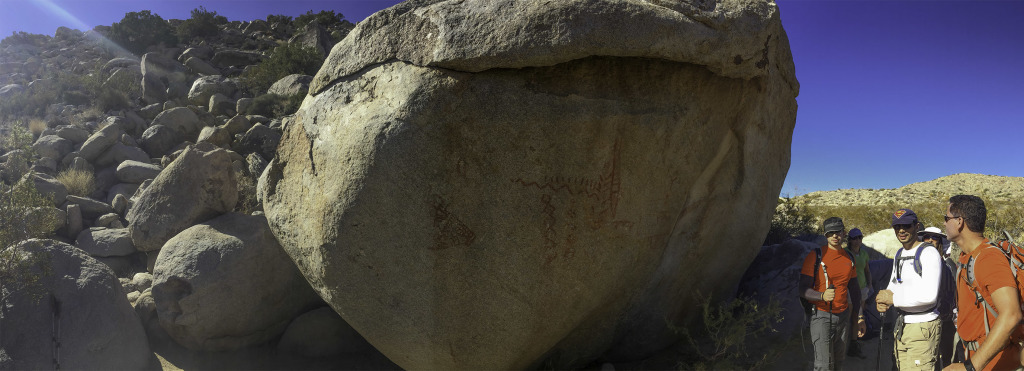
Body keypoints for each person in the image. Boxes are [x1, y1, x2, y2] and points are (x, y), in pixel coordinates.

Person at [943, 195, 1023, 371]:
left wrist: (970, 367)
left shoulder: (988, 258)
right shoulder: (967, 256)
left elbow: (1011, 315)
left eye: (946, 218)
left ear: (959, 222)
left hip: (995, 364)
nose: (944, 224)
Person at [875, 209, 942, 371]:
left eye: (906, 225)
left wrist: (893, 300)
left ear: (916, 226)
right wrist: (884, 299)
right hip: (902, 325)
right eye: (897, 226)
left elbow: (929, 296)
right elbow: (894, 283)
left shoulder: (929, 253)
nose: (901, 230)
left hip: (923, 325)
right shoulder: (900, 254)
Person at [800, 217, 863, 371]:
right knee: (823, 366)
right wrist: (821, 296)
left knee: (839, 363)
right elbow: (802, 289)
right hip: (821, 317)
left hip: (843, 317)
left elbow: (855, 290)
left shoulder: (849, 258)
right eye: (830, 232)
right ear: (825, 234)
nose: (835, 235)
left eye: (838, 231)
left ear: (844, 232)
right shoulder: (815, 256)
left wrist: (860, 317)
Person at [919, 226, 959, 368]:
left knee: (947, 356)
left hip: (946, 320)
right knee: (930, 357)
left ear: (940, 242)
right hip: (925, 320)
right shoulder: (917, 264)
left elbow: (956, 291)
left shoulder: (949, 265)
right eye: (926, 237)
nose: (930, 240)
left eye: (934, 237)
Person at [844, 227, 871, 358]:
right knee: (847, 317)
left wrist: (869, 284)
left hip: (862, 289)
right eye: (854, 238)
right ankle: (842, 345)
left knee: (858, 317)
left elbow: (866, 270)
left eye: (859, 237)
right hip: (849, 289)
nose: (857, 241)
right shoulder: (845, 253)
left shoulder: (864, 254)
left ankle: (854, 345)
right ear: (849, 240)